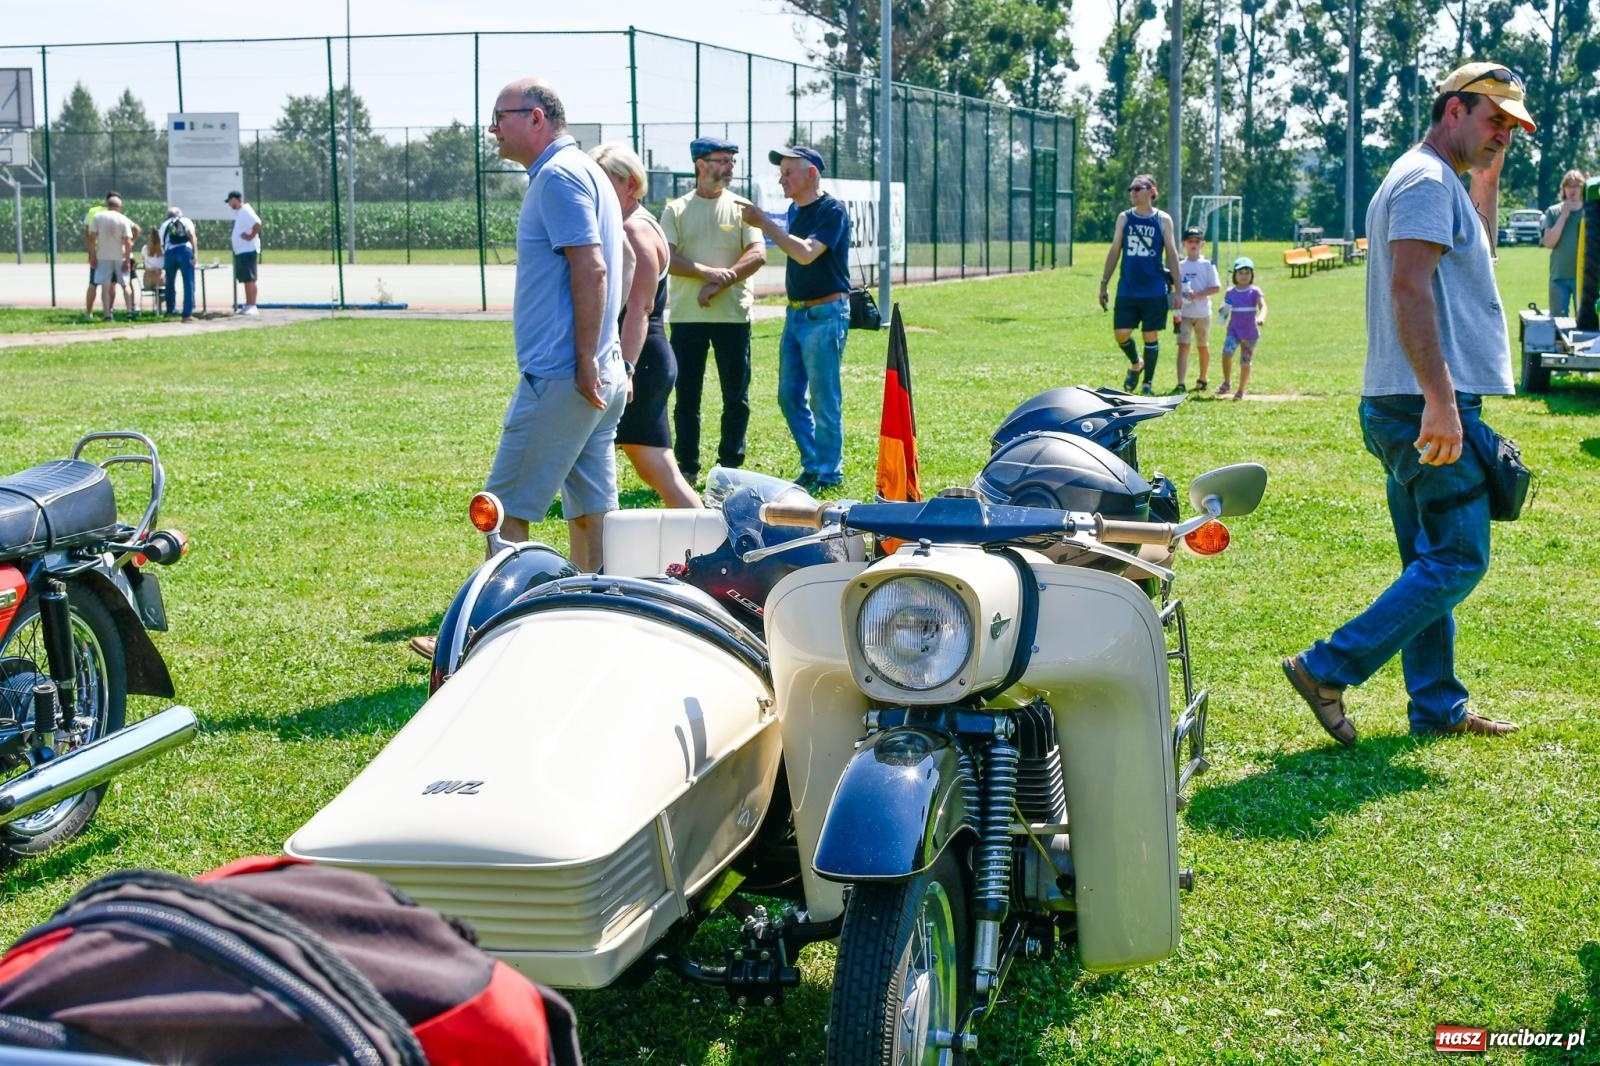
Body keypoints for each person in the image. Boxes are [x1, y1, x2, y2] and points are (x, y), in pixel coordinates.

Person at [1282, 61, 1532, 745]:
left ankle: (1437, 706)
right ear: (1453, 109)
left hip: (1407, 399)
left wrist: (1488, 165)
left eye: (1513, 127)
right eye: (1493, 120)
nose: (1503, 135)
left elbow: (1469, 245)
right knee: (1457, 558)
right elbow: (1410, 290)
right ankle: (1327, 667)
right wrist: (1442, 402)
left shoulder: (1434, 178)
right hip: (1421, 402)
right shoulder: (1425, 180)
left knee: (1427, 556)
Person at [482, 77, 631, 572]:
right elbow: (625, 259)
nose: (493, 129)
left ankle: (501, 626)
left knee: (502, 512)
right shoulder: (586, 169)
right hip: (595, 374)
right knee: (593, 512)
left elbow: (593, 268)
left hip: (564, 374)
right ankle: (594, 608)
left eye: (500, 118)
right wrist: (610, 355)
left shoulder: (559, 177)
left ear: (536, 118)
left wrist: (587, 358)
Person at [589, 142, 701, 509]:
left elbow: (640, 308)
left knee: (655, 465)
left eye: (605, 182)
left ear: (631, 184)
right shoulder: (626, 225)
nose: (596, 191)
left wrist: (626, 369)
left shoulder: (636, 232)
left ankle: (713, 539)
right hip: (641, 355)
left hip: (642, 358)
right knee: (649, 464)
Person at [741, 146, 852, 493]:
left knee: (823, 398)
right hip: (797, 313)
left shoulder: (831, 210)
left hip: (824, 314)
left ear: (812, 175)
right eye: (782, 172)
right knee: (789, 396)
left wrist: (765, 224)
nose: (782, 179)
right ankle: (814, 464)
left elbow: (805, 254)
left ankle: (829, 473)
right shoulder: (795, 209)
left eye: (789, 172)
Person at [660, 137, 766, 484]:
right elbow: (667, 258)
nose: (729, 168)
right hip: (688, 318)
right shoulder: (676, 209)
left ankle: (730, 467)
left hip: (733, 317)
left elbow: (757, 254)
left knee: (736, 396)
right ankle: (687, 468)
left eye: (732, 162)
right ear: (700, 164)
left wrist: (723, 280)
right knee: (687, 396)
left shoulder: (742, 207)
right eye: (722, 161)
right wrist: (705, 272)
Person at [1098, 174, 1182, 396]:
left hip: (1154, 288)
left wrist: (1178, 290)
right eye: (1131, 189)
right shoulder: (1124, 218)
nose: (1133, 193)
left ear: (1151, 191)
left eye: (1137, 188)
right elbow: (1115, 250)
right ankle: (1137, 363)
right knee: (1121, 334)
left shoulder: (1163, 220)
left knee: (1150, 335)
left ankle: (1148, 384)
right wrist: (1104, 283)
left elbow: (1172, 254)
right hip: (1128, 288)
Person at [1174, 226, 1221, 393]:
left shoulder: (1207, 265)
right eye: (1190, 241)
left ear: (1203, 244)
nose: (1193, 245)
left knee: (1202, 346)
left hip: (1202, 312)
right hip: (1184, 313)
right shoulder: (1179, 265)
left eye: (1196, 241)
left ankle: (1203, 378)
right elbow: (1174, 285)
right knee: (1183, 345)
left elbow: (1216, 287)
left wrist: (1198, 294)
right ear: (1184, 244)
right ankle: (1180, 382)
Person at [1214, 257, 1266, 400]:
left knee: (1245, 361)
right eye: (1240, 273)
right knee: (1226, 353)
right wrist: (1222, 309)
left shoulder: (1255, 291)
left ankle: (1241, 390)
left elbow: (1263, 306)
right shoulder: (1231, 292)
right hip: (1234, 331)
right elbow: (1226, 307)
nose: (1244, 276)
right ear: (1235, 275)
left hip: (1250, 332)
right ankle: (1226, 382)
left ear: (1252, 275)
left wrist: (1261, 317)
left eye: (1247, 273)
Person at [1540, 168, 1586, 317]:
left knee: (1586, 323)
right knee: (1558, 324)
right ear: (1564, 189)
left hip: (1585, 278)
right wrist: (1563, 216)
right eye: (1569, 186)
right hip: (1559, 276)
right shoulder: (1553, 212)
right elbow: (1548, 243)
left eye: (1576, 186)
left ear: (1582, 188)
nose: (1572, 190)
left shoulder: (1591, 212)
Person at [87, 195, 134, 323]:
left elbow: (92, 238)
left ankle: (107, 314)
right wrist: (127, 259)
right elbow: (128, 241)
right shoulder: (123, 218)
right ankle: (129, 311)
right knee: (125, 284)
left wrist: (92, 255)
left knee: (105, 286)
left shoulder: (98, 217)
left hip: (103, 255)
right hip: (120, 255)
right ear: (119, 207)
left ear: (107, 205)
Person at [159, 205, 199, 322]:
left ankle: (170, 310)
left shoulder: (163, 225)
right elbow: (191, 235)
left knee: (170, 282)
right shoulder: (185, 220)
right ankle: (187, 313)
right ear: (179, 214)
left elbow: (162, 244)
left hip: (169, 253)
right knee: (188, 281)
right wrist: (195, 253)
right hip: (184, 251)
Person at [226, 190, 262, 315]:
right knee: (246, 279)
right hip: (242, 251)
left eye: (230, 201)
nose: (230, 204)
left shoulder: (246, 210)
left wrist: (251, 235)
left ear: (235, 199)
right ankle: (248, 304)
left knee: (250, 279)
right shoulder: (240, 213)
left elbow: (257, 223)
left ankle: (252, 305)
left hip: (248, 250)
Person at [82, 192, 115, 320]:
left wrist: (91, 253)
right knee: (111, 283)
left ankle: (88, 312)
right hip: (110, 253)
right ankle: (109, 310)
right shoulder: (114, 213)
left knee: (93, 283)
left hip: (96, 252)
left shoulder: (93, 211)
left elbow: (87, 234)